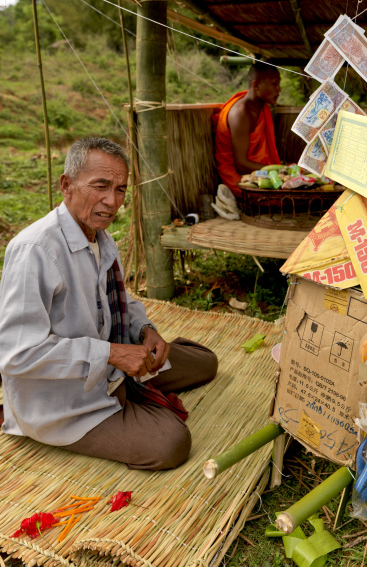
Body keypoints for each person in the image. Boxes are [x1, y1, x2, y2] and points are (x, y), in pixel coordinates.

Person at [0, 137, 217, 471]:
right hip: (62, 398)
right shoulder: (35, 250)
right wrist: (112, 354)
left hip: (109, 361)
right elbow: (17, 354)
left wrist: (145, 330)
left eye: (120, 189)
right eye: (100, 186)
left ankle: (129, 384)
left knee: (205, 362)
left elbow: (116, 301)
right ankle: (122, 398)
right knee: (170, 443)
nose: (112, 201)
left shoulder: (99, 237)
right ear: (66, 185)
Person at [214, 63, 282, 196]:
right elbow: (241, 165)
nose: (279, 90)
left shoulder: (262, 108)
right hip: (240, 180)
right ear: (255, 85)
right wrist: (279, 171)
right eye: (274, 84)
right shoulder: (240, 114)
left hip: (259, 171)